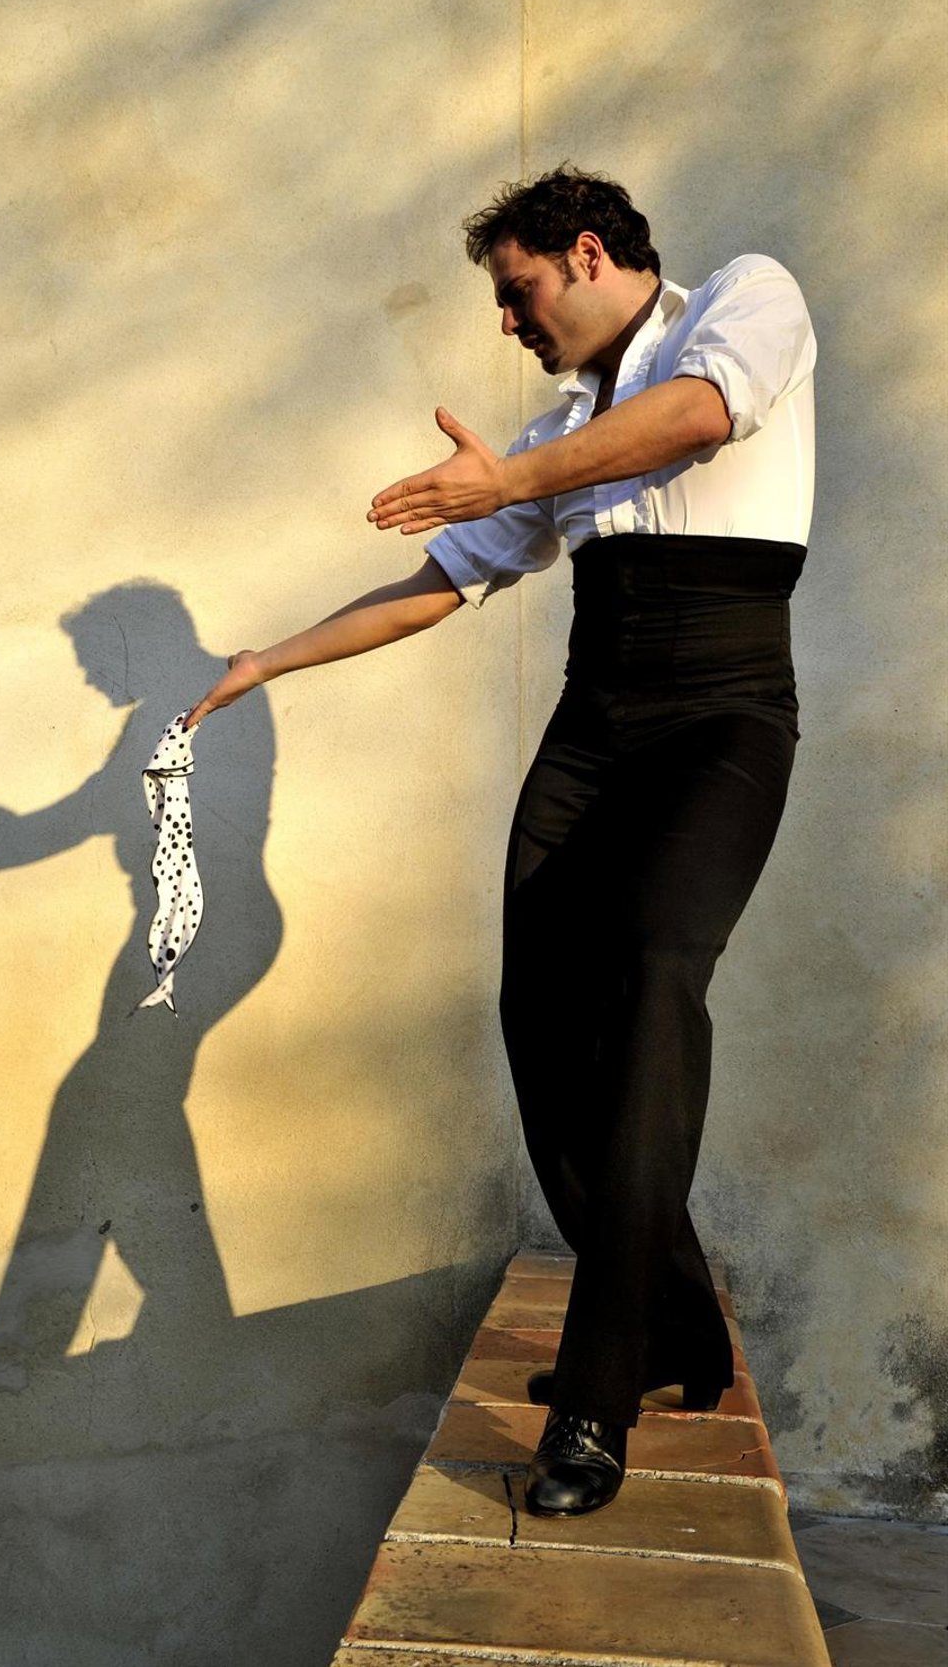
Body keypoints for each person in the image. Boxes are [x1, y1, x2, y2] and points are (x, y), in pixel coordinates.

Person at [184, 165, 816, 1518]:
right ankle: (670, 1321)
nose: (511, 323)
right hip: (594, 734)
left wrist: (509, 477)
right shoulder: (558, 429)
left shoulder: (746, 299)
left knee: (656, 979)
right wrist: (267, 661)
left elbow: (703, 415)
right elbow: (437, 585)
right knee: (542, 1023)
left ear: (587, 252)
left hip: (722, 721)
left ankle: (597, 1394)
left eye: (519, 293)